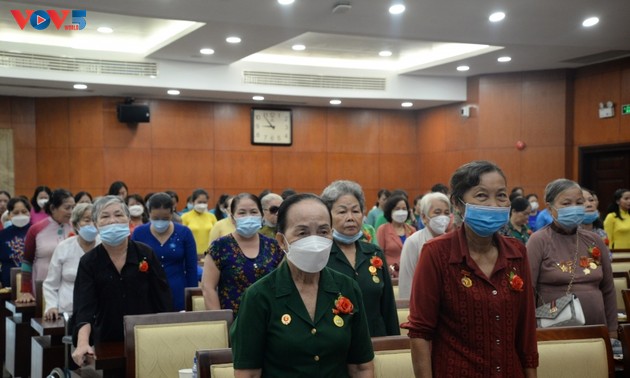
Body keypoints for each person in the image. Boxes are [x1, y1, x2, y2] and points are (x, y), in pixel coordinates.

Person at [405, 160, 538, 377]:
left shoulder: (517, 252)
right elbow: (420, 332)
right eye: (482, 195)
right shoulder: (437, 253)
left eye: (501, 195)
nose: (494, 205)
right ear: (458, 204)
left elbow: (526, 329)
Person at [231, 193, 374, 377]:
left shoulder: (347, 288)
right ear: (282, 241)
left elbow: (361, 367)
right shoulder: (259, 296)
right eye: (303, 233)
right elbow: (248, 373)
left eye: (323, 232)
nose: (314, 241)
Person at [71, 196, 172, 367]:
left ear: (128, 220)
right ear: (95, 224)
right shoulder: (89, 262)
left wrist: (167, 338)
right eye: (104, 217)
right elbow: (84, 307)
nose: (112, 221)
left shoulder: (145, 253)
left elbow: (162, 300)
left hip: (146, 338)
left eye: (118, 215)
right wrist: (82, 343)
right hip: (106, 340)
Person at [528, 179, 617, 339]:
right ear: (550, 208)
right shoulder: (539, 240)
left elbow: (609, 289)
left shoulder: (595, 240)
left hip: (597, 330)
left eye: (579, 202)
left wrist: (612, 331)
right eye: (567, 203)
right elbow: (528, 291)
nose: (574, 208)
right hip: (554, 330)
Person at [321, 180, 399, 336]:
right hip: (336, 345)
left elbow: (388, 307)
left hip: (376, 341)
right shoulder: (320, 256)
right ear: (327, 216)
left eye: (356, 211)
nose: (350, 218)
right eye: (342, 212)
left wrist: (393, 342)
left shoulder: (374, 253)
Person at [201, 193, 283, 316]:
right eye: (242, 213)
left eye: (254, 212)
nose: (248, 217)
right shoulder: (219, 247)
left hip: (270, 318)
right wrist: (222, 322)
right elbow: (208, 288)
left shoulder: (274, 247)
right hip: (233, 321)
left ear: (261, 216)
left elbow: (282, 285)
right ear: (233, 218)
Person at [131, 193, 197, 311]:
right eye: (156, 218)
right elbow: (132, 266)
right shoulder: (139, 233)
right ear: (149, 213)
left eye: (165, 218)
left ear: (172, 213)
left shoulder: (184, 232)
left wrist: (192, 296)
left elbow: (191, 268)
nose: (160, 222)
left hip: (178, 291)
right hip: (148, 291)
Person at [43, 203, 99, 320]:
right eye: (87, 220)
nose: (92, 224)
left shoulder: (104, 246)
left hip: (99, 311)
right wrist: (52, 306)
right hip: (67, 312)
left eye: (95, 220)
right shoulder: (64, 247)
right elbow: (51, 284)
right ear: (75, 224)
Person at [18, 189, 75, 303]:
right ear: (53, 208)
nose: (71, 212)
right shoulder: (36, 229)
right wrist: (25, 291)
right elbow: (27, 262)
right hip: (42, 285)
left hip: (69, 287)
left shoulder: (75, 227)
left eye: (73, 207)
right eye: (67, 208)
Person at [398, 192, 451, 300]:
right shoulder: (413, 242)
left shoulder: (452, 242)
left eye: (446, 213)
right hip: (422, 303)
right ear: (424, 217)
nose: (443, 217)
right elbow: (406, 281)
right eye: (437, 212)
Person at [376, 194, 416, 277]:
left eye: (404, 209)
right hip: (391, 275)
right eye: (397, 209)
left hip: (410, 274)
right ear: (390, 211)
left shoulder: (412, 230)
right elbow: (379, 255)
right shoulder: (383, 230)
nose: (401, 211)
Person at [0, 197, 32, 287]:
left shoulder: (37, 232)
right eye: (16, 213)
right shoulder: (2, 235)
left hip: (33, 281)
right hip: (8, 283)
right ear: (9, 215)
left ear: (29, 213)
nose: (20, 215)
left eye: (24, 211)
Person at [181, 189, 218, 257]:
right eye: (199, 202)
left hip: (209, 254)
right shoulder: (185, 217)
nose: (202, 204)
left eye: (204, 202)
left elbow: (216, 235)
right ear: (193, 202)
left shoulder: (211, 216)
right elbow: (182, 237)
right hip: (191, 253)